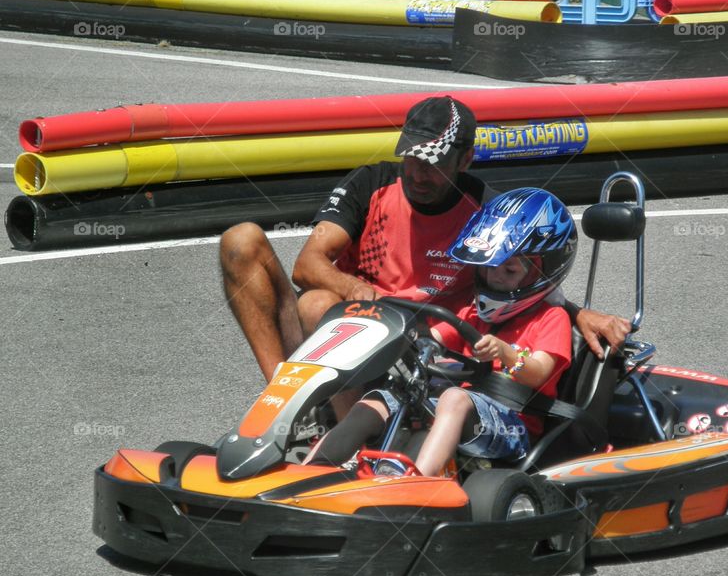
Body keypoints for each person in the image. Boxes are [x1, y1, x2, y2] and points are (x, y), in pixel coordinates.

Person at [219, 96, 629, 404]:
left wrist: (577, 314)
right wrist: (358, 290)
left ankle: (347, 446)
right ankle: (281, 402)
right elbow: (306, 265)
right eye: (412, 159)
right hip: (352, 318)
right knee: (243, 242)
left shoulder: (487, 210)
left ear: (465, 159)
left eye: (433, 163)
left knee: (317, 306)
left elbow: (522, 281)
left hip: (424, 340)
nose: (417, 173)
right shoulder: (371, 183)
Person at [308, 188, 576, 477]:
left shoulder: (552, 318)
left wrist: (505, 353)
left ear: (544, 272)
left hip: (513, 425)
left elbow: (539, 374)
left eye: (509, 271)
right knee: (379, 398)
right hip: (458, 410)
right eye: (490, 268)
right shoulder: (473, 314)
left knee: (454, 399)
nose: (496, 277)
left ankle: (417, 480)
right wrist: (400, 343)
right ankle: (312, 470)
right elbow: (432, 339)